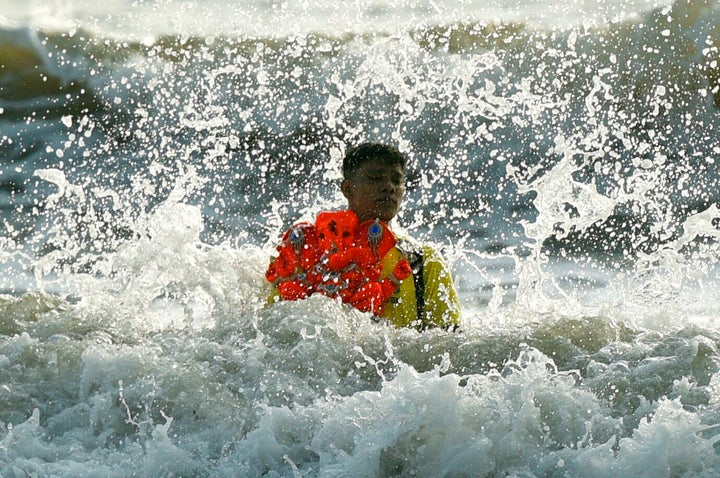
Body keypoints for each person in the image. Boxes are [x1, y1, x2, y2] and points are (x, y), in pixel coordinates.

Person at [266, 142, 461, 331]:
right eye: (375, 178)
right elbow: (274, 331)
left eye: (396, 180)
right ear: (348, 189)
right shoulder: (303, 251)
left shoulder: (423, 260)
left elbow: (450, 343)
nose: (389, 187)